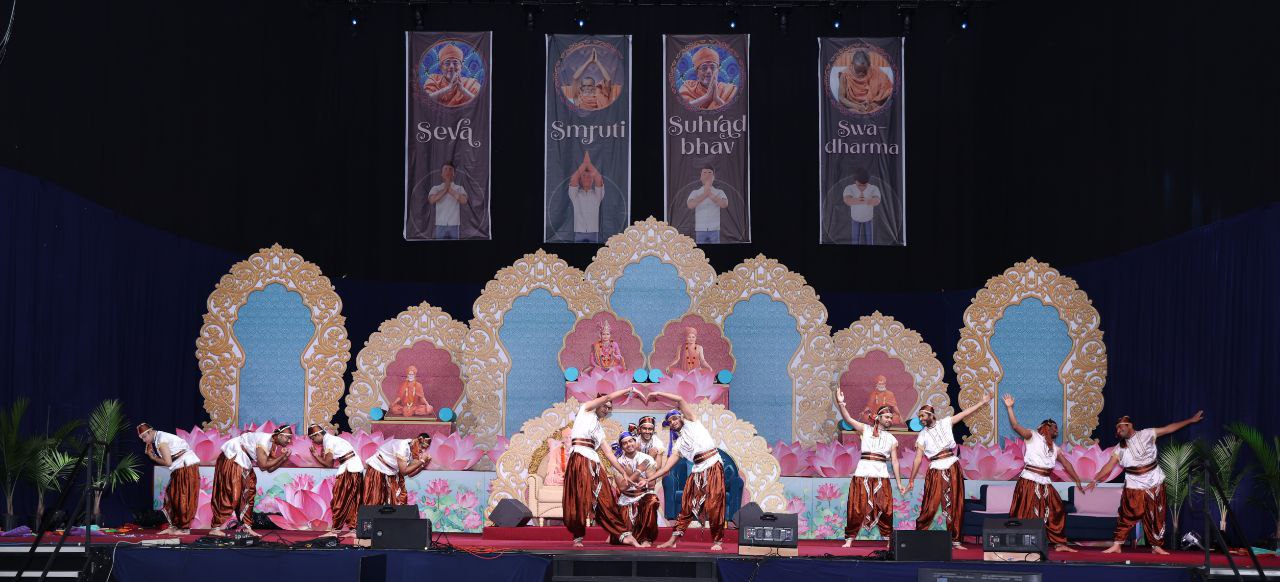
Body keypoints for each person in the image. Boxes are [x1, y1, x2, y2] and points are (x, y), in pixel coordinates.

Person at [1087, 411, 1204, 554]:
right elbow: (1108, 466)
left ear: (1130, 425)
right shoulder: (1119, 448)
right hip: (1134, 483)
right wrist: (1096, 479)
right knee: (1127, 513)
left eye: (1121, 427)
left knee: (1156, 514)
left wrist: (1190, 420)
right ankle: (1117, 545)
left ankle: (1156, 546)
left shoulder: (1147, 434)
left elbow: (1169, 428)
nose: (1119, 430)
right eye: (1117, 428)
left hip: (1154, 480)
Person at [1002, 394, 1090, 552]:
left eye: (1056, 429)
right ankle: (1022, 544)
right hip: (1029, 480)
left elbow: (1067, 464)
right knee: (1026, 513)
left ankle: (1059, 544)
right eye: (1053, 427)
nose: (1056, 430)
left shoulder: (1054, 448)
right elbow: (1015, 426)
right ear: (1044, 427)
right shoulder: (1032, 436)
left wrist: (1077, 480)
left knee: (1057, 509)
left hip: (1045, 482)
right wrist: (1009, 408)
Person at [906, 393, 993, 548]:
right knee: (930, 505)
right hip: (935, 469)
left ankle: (955, 540)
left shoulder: (945, 423)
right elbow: (918, 459)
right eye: (919, 417)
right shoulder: (922, 435)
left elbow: (964, 413)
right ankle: (918, 537)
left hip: (952, 465)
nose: (920, 419)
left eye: (922, 416)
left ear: (931, 415)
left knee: (955, 503)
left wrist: (982, 402)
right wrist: (911, 479)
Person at [643, 392, 727, 551]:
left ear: (681, 417)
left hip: (713, 465)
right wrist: (648, 479)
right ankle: (673, 540)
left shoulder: (692, 423)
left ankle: (717, 541)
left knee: (714, 503)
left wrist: (657, 393)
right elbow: (666, 468)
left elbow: (680, 398)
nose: (673, 422)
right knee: (687, 506)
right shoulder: (679, 444)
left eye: (675, 418)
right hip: (697, 471)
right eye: (670, 422)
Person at [562, 387, 645, 548]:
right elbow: (607, 397)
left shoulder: (599, 429)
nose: (607, 410)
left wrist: (623, 472)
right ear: (597, 404)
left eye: (609, 408)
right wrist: (629, 389)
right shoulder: (585, 410)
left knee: (606, 497)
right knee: (579, 498)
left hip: (594, 462)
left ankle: (623, 535)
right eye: (605, 406)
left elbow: (608, 453)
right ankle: (578, 537)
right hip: (579, 459)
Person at [836, 390, 906, 548]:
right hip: (863, 474)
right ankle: (849, 539)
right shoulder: (866, 430)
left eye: (891, 417)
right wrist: (841, 403)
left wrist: (899, 483)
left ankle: (888, 540)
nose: (889, 420)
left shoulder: (892, 439)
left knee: (885, 508)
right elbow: (848, 419)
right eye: (887, 417)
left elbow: (895, 462)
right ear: (878, 417)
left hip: (882, 476)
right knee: (856, 507)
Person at [209, 425, 293, 537]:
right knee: (232, 493)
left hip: (242, 460)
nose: (289, 441)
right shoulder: (264, 440)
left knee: (249, 490)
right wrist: (281, 457)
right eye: (288, 437)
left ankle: (246, 527)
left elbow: (269, 469)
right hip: (233, 457)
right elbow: (263, 465)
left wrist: (284, 458)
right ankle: (215, 527)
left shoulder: (272, 444)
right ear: (280, 436)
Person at [137, 423, 202, 535]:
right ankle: (174, 526)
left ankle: (184, 528)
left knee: (183, 497)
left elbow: (168, 462)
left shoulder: (161, 441)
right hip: (179, 467)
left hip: (185, 467)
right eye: (142, 438)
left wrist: (153, 457)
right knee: (172, 496)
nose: (144, 440)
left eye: (144, 437)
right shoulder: (159, 438)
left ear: (150, 432)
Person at [307, 424, 365, 537]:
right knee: (353, 500)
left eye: (313, 438)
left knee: (340, 499)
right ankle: (354, 530)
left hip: (350, 470)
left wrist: (316, 456)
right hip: (355, 468)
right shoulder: (332, 439)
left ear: (318, 435)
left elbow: (328, 464)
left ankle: (335, 531)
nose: (313, 441)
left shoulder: (329, 441)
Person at [615, 432, 660, 546]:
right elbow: (622, 487)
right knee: (621, 540)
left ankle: (646, 539)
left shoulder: (647, 459)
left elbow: (651, 484)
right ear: (621, 447)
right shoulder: (618, 463)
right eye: (625, 443)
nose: (628, 444)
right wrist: (638, 471)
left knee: (652, 500)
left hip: (644, 495)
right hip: (626, 498)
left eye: (630, 441)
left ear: (635, 442)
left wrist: (631, 474)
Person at [364, 433, 432, 506]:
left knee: (398, 500)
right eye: (422, 447)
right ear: (416, 441)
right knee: (375, 500)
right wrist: (422, 461)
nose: (422, 450)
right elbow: (404, 472)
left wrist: (423, 465)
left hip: (391, 472)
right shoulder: (402, 447)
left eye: (425, 448)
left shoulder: (414, 451)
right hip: (377, 468)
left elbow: (410, 474)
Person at [678, 46, 737, 111]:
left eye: (712, 67)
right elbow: (681, 109)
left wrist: (717, 99)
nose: (709, 71)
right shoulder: (688, 87)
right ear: (696, 72)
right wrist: (706, 97)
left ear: (718, 71)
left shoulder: (729, 90)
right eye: (704, 68)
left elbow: (733, 113)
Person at [423, 43, 480, 107]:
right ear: (441, 67)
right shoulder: (433, 79)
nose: (451, 66)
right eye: (447, 63)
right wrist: (447, 89)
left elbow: (480, 103)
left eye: (455, 63)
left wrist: (462, 90)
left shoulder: (471, 83)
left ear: (461, 67)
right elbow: (425, 100)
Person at [567, 151, 606, 243]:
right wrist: (584, 165)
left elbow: (598, 179)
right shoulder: (575, 195)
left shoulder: (597, 195)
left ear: (592, 180)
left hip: (594, 232)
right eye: (584, 176)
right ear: (580, 179)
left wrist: (589, 164)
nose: (587, 178)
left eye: (589, 176)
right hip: (578, 231)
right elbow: (573, 179)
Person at [838, 49, 893, 113]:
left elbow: (888, 92)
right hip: (854, 108)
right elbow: (841, 97)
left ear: (869, 65)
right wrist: (857, 107)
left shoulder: (877, 72)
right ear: (852, 64)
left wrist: (873, 105)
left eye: (864, 71)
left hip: (873, 108)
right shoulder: (845, 75)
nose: (861, 73)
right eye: (858, 71)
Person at [686, 167, 729, 244]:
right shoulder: (695, 192)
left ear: (713, 177)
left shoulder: (719, 192)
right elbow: (690, 205)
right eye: (704, 173)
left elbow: (724, 204)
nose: (707, 175)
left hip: (715, 229)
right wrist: (704, 194)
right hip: (700, 229)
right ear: (700, 177)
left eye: (709, 173)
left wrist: (710, 194)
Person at [427, 161, 467, 240]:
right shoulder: (436, 188)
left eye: (450, 169)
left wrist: (450, 189)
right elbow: (432, 200)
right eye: (445, 169)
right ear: (441, 174)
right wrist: (445, 189)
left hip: (454, 224)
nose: (448, 171)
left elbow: (464, 201)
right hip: (440, 224)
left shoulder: (459, 188)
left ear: (454, 174)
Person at [842, 167, 881, 245]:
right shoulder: (849, 188)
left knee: (869, 240)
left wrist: (865, 200)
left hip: (868, 218)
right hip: (855, 218)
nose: (862, 187)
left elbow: (877, 200)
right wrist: (860, 200)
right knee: (855, 240)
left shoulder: (873, 188)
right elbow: (847, 200)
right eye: (860, 185)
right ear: (855, 180)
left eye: (864, 185)